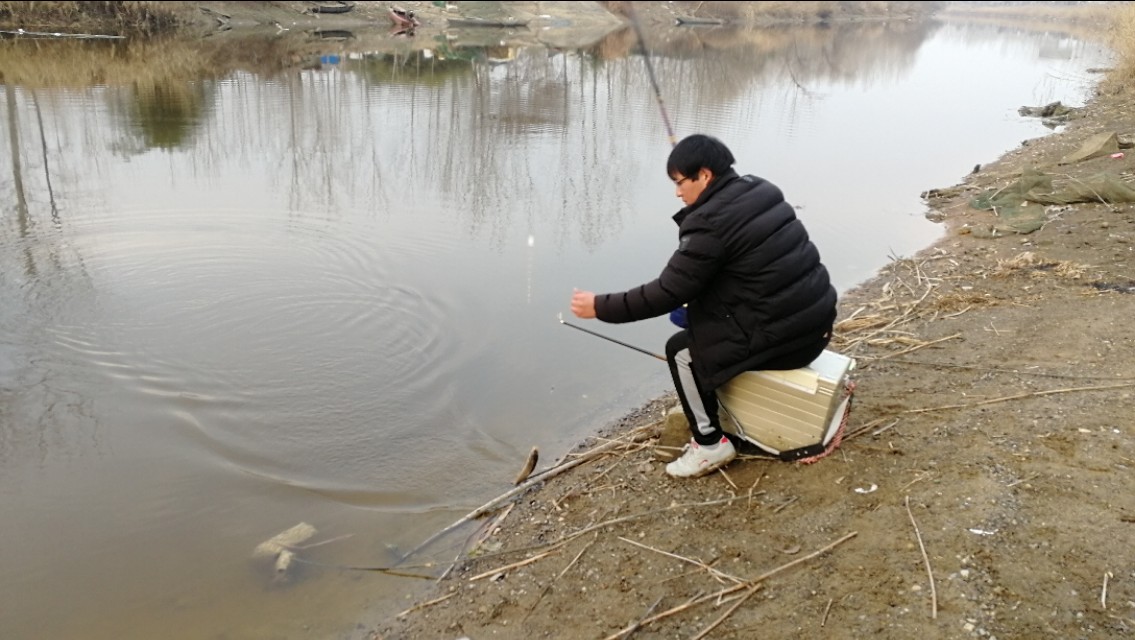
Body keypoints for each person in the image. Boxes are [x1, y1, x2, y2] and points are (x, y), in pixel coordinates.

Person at [570, 134, 837, 479]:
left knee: (681, 351)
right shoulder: (760, 188)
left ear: (705, 175)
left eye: (680, 183)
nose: (677, 193)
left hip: (792, 342)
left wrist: (600, 307)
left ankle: (710, 444)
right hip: (818, 321)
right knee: (689, 317)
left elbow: (664, 291)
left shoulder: (709, 225)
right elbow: (725, 273)